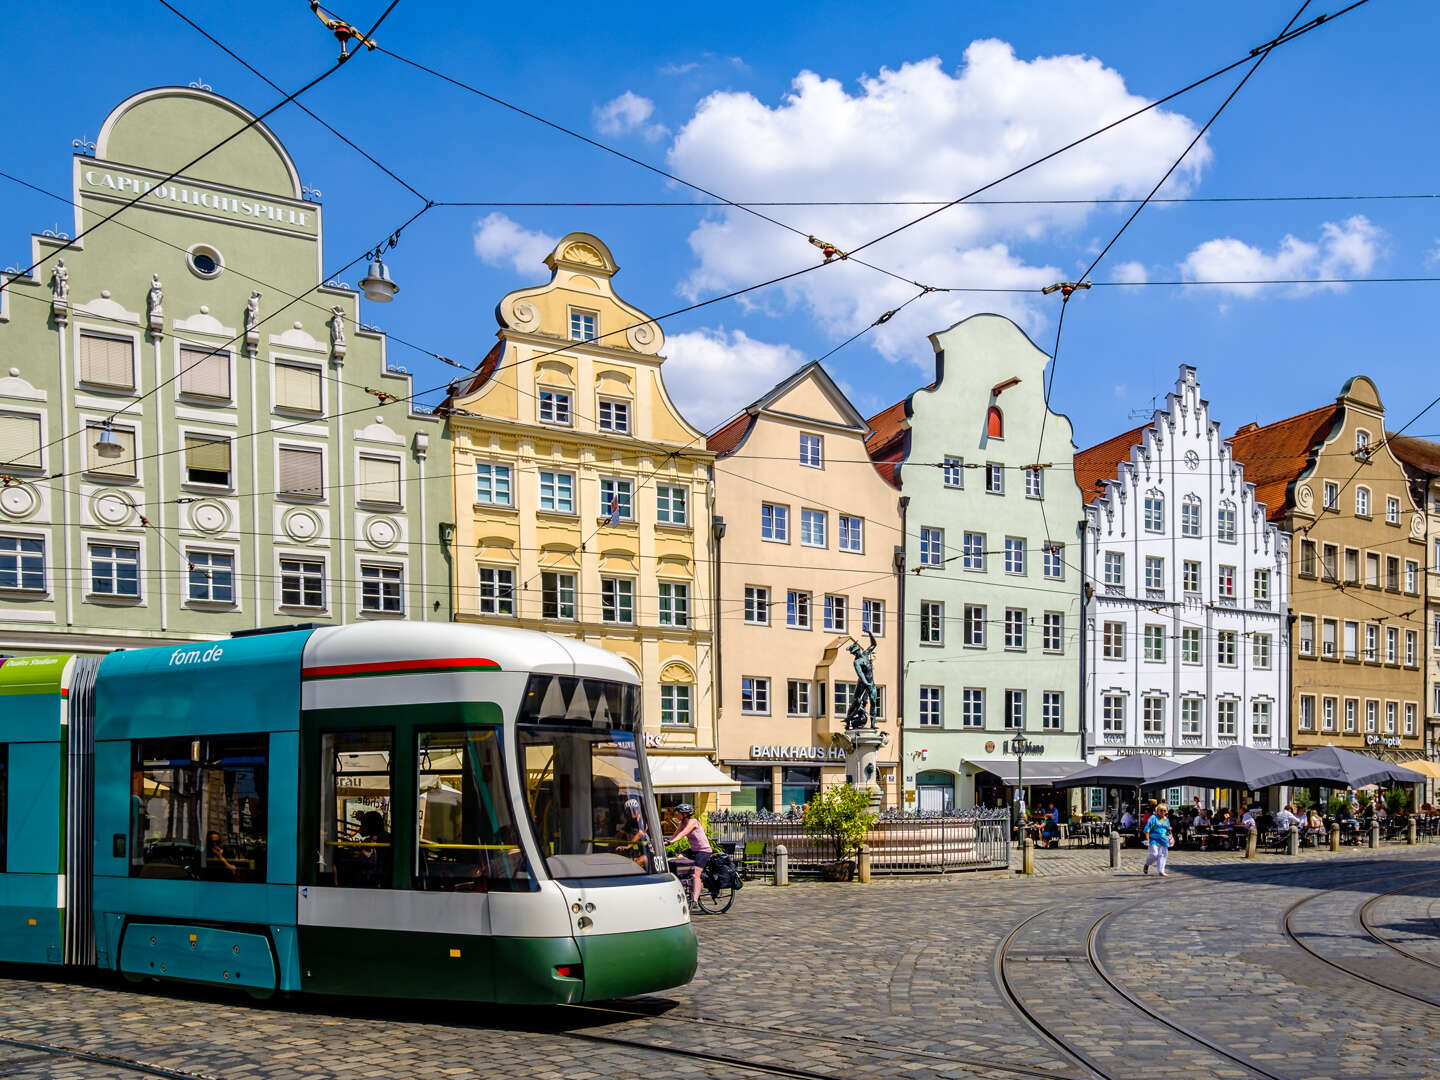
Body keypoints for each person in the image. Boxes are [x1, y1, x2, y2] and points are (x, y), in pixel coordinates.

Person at [666, 803, 711, 909]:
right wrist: (665, 842)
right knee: (678, 857)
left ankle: (695, 900)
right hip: (693, 850)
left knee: (696, 874)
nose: (676, 815)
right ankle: (688, 884)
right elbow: (676, 834)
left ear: (685, 814)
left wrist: (670, 842)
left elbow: (682, 834)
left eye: (678, 813)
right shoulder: (682, 823)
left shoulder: (693, 822)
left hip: (703, 851)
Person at [613, 797, 652, 869]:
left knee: (635, 866)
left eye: (634, 809)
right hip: (641, 851)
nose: (632, 812)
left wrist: (628, 846)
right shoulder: (630, 822)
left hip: (651, 852)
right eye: (629, 810)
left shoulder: (643, 819)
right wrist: (611, 844)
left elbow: (640, 833)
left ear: (638, 809)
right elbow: (621, 833)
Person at [1143, 805, 1173, 877]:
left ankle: (1161, 871)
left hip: (1164, 839)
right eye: (1161, 810)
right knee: (1154, 854)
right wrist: (1147, 839)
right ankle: (1147, 864)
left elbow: (1167, 829)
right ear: (1157, 811)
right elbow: (1147, 827)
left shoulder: (1166, 819)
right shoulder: (1153, 818)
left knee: (1163, 855)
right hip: (1154, 839)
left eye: (1164, 810)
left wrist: (1169, 832)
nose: (1163, 812)